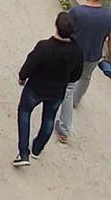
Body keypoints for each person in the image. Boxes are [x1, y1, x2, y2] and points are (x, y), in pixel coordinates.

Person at [54, 0, 111, 141]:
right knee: (86, 77)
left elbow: (66, 32)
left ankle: (64, 129)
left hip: (75, 55)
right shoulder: (110, 15)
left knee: (68, 88)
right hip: (94, 55)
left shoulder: (77, 12)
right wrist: (110, 60)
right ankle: (77, 100)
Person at [16, 13, 83, 167]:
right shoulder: (76, 51)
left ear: (56, 26)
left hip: (35, 88)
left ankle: (23, 152)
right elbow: (76, 75)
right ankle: (37, 149)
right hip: (57, 92)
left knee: (24, 112)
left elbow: (30, 64)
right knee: (49, 119)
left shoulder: (44, 47)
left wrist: (22, 77)